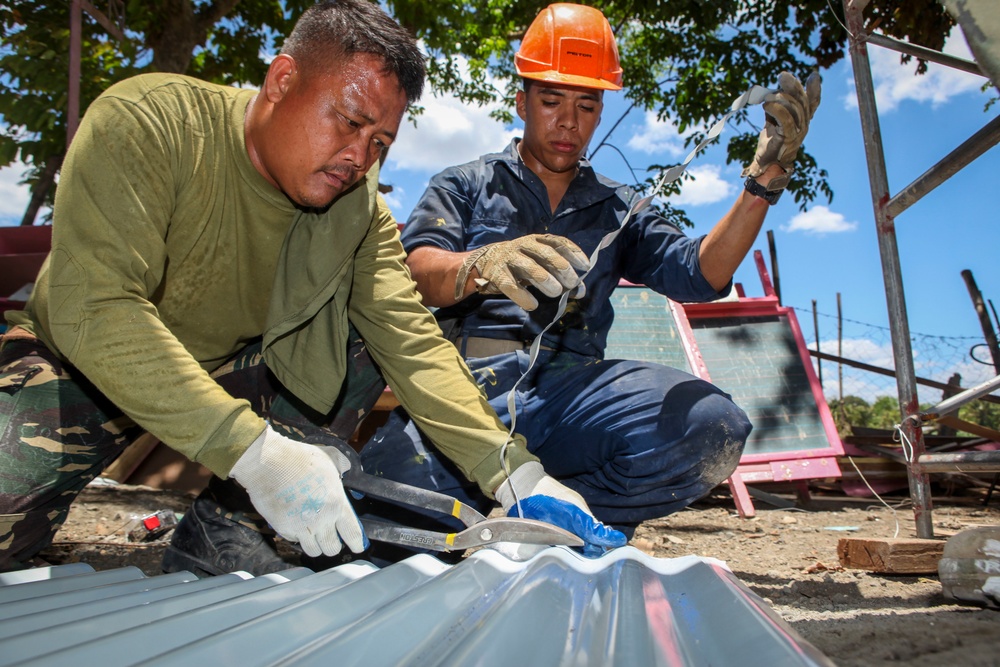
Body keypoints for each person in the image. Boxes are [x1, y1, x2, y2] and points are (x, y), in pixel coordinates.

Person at [0, 0, 625, 576]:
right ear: (281, 81)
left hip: (228, 368)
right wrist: (255, 453)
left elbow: (409, 340)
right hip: (76, 365)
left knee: (363, 326)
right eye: (349, 122)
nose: (358, 158)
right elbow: (96, 306)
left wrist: (517, 476)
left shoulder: (358, 209)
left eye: (379, 143)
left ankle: (226, 528)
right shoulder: (150, 123)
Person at [358, 2, 822, 553]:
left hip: (573, 398)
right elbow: (413, 268)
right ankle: (495, 504)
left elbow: (701, 273)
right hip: (466, 392)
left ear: (600, 112)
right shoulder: (466, 183)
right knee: (376, 529)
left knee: (712, 426)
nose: (568, 122)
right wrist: (480, 265)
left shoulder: (619, 207)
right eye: (551, 100)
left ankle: (571, 519)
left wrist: (763, 183)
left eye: (586, 104)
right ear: (521, 101)